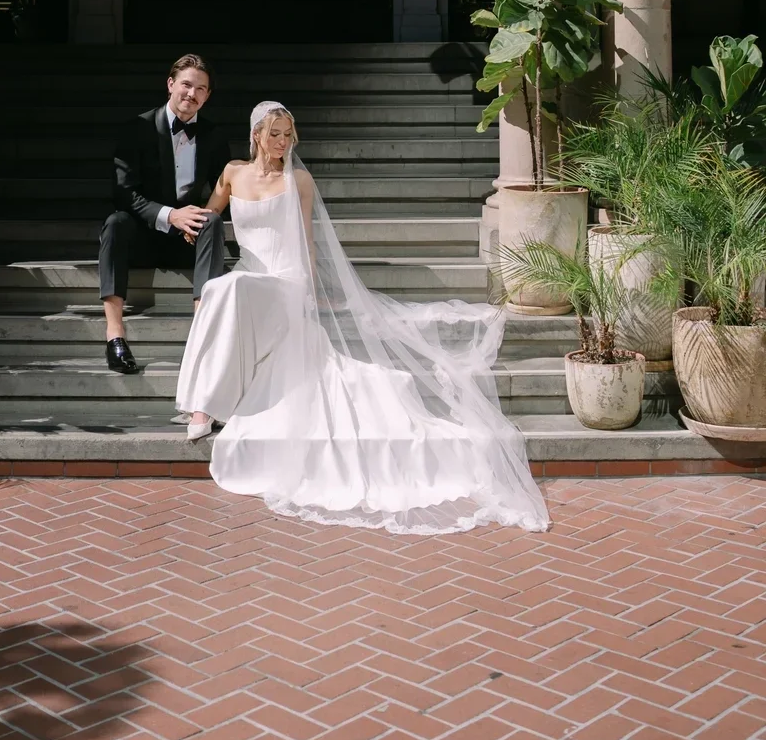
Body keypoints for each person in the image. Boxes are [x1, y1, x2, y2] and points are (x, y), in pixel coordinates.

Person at [175, 101, 549, 536]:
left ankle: (203, 405)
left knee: (228, 289)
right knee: (223, 287)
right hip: (248, 275)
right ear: (256, 133)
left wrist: (311, 294)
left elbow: (308, 241)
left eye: (287, 135)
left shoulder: (298, 179)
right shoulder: (232, 173)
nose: (281, 143)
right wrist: (189, 229)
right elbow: (210, 215)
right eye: (273, 133)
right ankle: (200, 405)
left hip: (286, 280)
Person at [99, 54, 232, 373]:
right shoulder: (138, 128)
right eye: (186, 84)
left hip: (187, 242)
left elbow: (224, 187)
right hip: (144, 236)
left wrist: (198, 217)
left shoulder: (213, 135)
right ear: (171, 84)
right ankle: (114, 333)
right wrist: (171, 215)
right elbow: (123, 192)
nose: (192, 93)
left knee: (212, 221)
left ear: (208, 95)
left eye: (201, 88)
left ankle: (202, 332)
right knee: (115, 223)